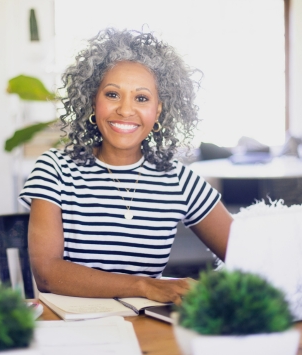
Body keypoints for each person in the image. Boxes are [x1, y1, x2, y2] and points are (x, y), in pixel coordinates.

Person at [19, 28, 233, 305]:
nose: (125, 110)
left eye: (141, 98)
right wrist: (145, 286)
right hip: (72, 328)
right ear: (92, 102)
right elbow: (48, 274)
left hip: (147, 330)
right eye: (112, 95)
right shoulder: (55, 170)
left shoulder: (179, 180)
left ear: (157, 111)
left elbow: (248, 256)